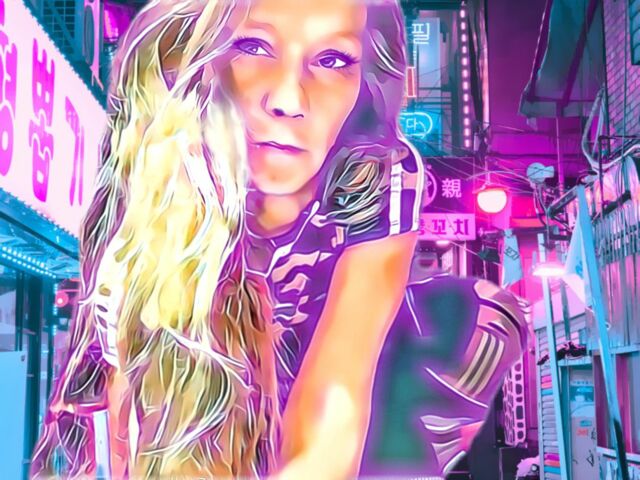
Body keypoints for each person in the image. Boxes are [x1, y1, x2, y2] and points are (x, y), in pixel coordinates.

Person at [30, 0, 528, 478]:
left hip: (317, 367)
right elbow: (126, 406)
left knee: (487, 319)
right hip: (202, 384)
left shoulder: (375, 174)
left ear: (364, 84)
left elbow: (341, 387)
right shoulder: (155, 168)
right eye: (252, 47)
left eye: (333, 60)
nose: (288, 100)